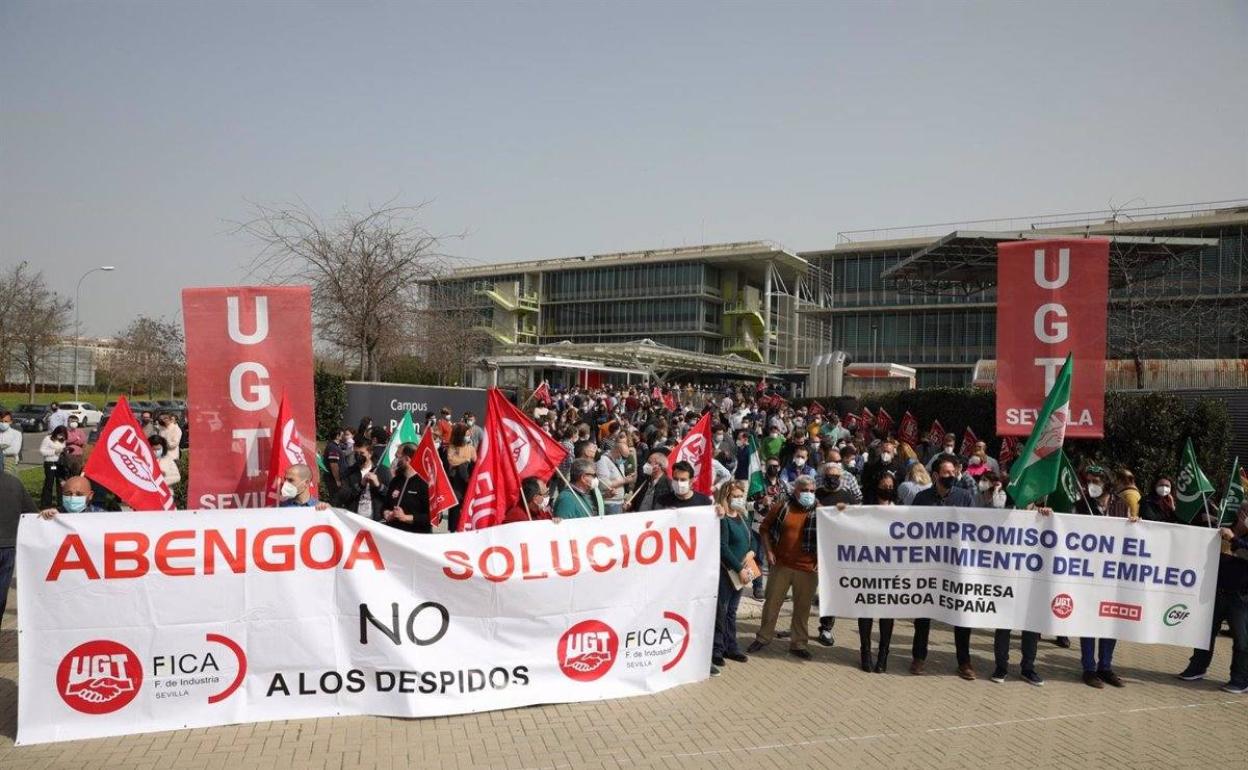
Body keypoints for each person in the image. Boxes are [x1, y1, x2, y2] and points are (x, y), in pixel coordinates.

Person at [911, 454, 976, 678]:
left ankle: (964, 662)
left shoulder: (965, 497)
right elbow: (911, 529)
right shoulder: (921, 498)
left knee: (961, 613)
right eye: (946, 473)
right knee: (922, 613)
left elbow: (974, 529)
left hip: (955, 565)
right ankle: (918, 657)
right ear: (936, 475)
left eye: (953, 473)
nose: (951, 476)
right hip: (928, 564)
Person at [1074, 464, 1135, 688]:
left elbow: (1131, 536)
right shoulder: (1081, 506)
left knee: (1110, 620)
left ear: (1107, 483)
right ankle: (1089, 668)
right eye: (1088, 481)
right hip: (1089, 574)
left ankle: (1105, 667)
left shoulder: (1121, 506)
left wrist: (1135, 525)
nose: (1091, 486)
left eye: (1096, 482)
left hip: (1113, 575)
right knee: (1089, 621)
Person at [1177, 501, 1248, 693]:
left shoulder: (1233, 535)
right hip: (1216, 592)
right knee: (1204, 634)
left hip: (1240, 598)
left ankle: (1240, 679)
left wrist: (1236, 539)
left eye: (1247, 512)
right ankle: (1198, 667)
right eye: (1242, 511)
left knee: (1242, 641)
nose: (1243, 515)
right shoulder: (1223, 530)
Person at [747, 475, 820, 660]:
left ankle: (799, 643)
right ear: (796, 490)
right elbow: (764, 528)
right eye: (805, 490)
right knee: (772, 603)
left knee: (802, 608)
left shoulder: (820, 510)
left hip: (808, 568)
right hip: (781, 565)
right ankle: (763, 637)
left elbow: (832, 534)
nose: (808, 494)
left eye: (812, 491)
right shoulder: (782, 506)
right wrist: (769, 551)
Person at [856, 472, 899, 672]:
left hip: (891, 570)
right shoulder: (866, 510)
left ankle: (883, 655)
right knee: (866, 610)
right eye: (884, 485)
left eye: (891, 486)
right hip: (868, 567)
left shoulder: (901, 511)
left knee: (887, 613)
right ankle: (865, 652)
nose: (887, 489)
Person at [814, 463, 859, 646]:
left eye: (835, 476)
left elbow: (855, 520)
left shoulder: (847, 496)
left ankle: (826, 628)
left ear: (840, 478)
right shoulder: (816, 494)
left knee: (831, 590)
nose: (832, 478)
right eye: (829, 475)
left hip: (836, 550)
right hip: (815, 548)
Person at [712, 480, 752, 675]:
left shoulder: (742, 517)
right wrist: (738, 568)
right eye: (734, 496)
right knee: (722, 609)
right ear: (726, 498)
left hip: (742, 572)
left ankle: (731, 646)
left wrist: (751, 554)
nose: (738, 499)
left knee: (732, 611)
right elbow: (723, 547)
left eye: (740, 495)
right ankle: (716, 649)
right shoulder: (723, 519)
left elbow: (749, 540)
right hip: (727, 572)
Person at [0, 467, 36, 620]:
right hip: (8, 544)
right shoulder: (14, 483)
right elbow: (31, 512)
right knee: (1, 592)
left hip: (8, 543)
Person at [381, 444, 432, 533]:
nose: (394, 461)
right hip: (394, 535)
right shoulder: (396, 480)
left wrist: (406, 517)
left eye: (397, 457)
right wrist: (386, 513)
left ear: (407, 459)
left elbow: (434, 517)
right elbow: (385, 505)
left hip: (415, 537)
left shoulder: (425, 483)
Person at [336, 442, 391, 520]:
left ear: (370, 454)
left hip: (376, 519)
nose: (358, 456)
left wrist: (378, 485)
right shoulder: (349, 472)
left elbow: (390, 496)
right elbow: (344, 496)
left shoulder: (383, 471)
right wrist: (361, 485)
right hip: (355, 519)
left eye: (362, 453)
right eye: (356, 453)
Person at [445, 423, 477, 533]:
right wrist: (464, 460)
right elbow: (452, 461)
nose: (468, 436)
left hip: (467, 480)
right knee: (455, 505)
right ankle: (453, 529)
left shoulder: (471, 448)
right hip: (456, 481)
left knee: (466, 504)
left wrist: (468, 460)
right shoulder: (453, 447)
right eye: (466, 434)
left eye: (469, 434)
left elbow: (475, 461)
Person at [596, 436, 636, 514]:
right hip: (610, 503)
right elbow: (604, 484)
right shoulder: (603, 460)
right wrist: (625, 480)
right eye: (623, 457)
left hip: (619, 502)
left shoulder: (618, 461)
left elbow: (619, 478)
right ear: (617, 451)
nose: (624, 460)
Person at [38, 474, 105, 517]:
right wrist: (45, 516)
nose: (73, 497)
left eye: (79, 494)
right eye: (68, 494)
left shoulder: (101, 516)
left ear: (90, 495)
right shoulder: (56, 513)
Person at [39, 425, 68, 509]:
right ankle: (46, 504)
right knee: (49, 482)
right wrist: (54, 451)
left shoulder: (63, 441)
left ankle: (61, 503)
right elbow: (42, 451)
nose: (61, 436)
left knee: (60, 483)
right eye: (60, 434)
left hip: (60, 464)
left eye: (63, 435)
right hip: (50, 463)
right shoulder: (48, 439)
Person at [320, 428, 349, 501]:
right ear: (337, 436)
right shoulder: (333, 448)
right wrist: (337, 480)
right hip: (333, 479)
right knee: (336, 500)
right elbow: (333, 464)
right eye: (342, 435)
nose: (344, 436)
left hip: (334, 479)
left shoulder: (335, 446)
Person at [0, 411, 22, 476]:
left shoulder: (16, 434)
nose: (3, 423)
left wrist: (1, 450)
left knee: (9, 482)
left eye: (6, 421)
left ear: (10, 422)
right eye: (1, 421)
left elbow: (14, 450)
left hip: (10, 462)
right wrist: (6, 446)